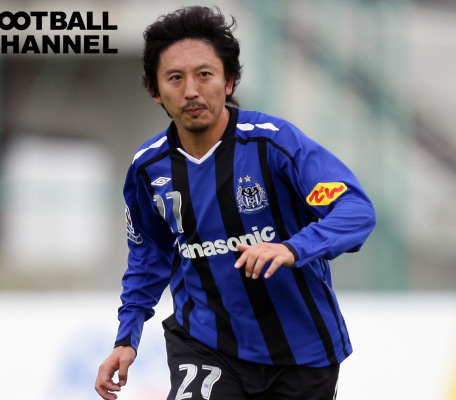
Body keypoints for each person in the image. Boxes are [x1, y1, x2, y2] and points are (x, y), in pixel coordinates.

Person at [95, 5, 376, 400]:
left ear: (228, 82)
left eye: (204, 74)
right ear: (156, 92)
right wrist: (127, 336)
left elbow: (354, 210)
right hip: (205, 344)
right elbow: (149, 255)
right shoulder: (148, 169)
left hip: (302, 353)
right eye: (175, 78)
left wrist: (292, 248)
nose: (191, 91)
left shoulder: (273, 144)